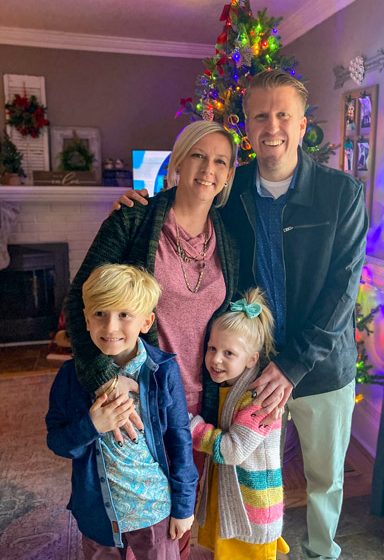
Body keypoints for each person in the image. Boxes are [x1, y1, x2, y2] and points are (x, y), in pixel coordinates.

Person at [115, 69, 368, 559]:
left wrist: (293, 366)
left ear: (300, 125)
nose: (271, 125)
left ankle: (321, 552)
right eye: (260, 115)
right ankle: (249, 549)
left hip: (318, 369)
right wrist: (138, 208)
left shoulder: (342, 194)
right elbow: (187, 206)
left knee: (323, 478)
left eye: (283, 115)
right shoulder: (232, 189)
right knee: (243, 470)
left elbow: (342, 291)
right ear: (246, 125)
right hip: (246, 368)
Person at [65, 120, 239, 559]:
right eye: (198, 155)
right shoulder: (136, 218)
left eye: (220, 160)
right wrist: (106, 377)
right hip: (139, 397)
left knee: (180, 513)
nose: (208, 168)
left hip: (200, 401)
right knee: (123, 519)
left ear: (229, 175)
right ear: (178, 162)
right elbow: (78, 299)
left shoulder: (231, 237)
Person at [46, 264, 198, 559]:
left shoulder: (163, 371)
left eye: (124, 315)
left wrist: (184, 505)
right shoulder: (69, 377)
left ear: (146, 321)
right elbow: (57, 441)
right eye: (100, 313)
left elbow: (180, 440)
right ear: (86, 321)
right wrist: (92, 425)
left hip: (154, 509)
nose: (110, 327)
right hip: (97, 514)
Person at [190, 288, 289, 559]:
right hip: (235, 500)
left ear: (252, 359)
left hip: (252, 509)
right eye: (212, 348)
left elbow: (233, 450)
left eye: (229, 353)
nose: (216, 359)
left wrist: (191, 426)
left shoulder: (258, 399)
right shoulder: (231, 388)